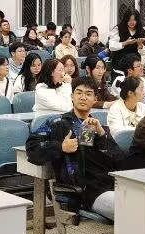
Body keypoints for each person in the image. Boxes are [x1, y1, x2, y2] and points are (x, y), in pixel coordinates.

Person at [27, 76, 127, 219]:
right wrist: (60, 147)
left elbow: (120, 161)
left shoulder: (96, 126)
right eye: (79, 93)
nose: (83, 97)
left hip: (112, 185)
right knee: (129, 210)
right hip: (84, 192)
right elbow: (32, 148)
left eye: (88, 94)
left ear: (95, 99)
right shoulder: (58, 123)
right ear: (72, 96)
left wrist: (102, 135)